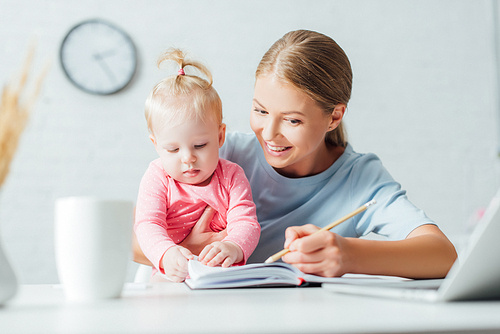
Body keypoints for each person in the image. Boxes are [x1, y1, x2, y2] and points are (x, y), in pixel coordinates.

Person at [133, 30, 457, 279]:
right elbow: (133, 239)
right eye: (260, 111)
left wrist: (347, 255)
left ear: (334, 117)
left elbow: (443, 255)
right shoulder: (218, 152)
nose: (269, 134)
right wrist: (189, 251)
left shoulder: (359, 179)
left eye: (292, 120)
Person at [134, 49, 260, 282]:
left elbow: (246, 222)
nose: (188, 158)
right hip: (172, 274)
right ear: (156, 145)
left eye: (200, 145)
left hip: (221, 274)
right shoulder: (158, 176)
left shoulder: (231, 176)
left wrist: (234, 246)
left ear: (220, 136)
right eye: (173, 149)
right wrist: (166, 254)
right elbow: (147, 224)